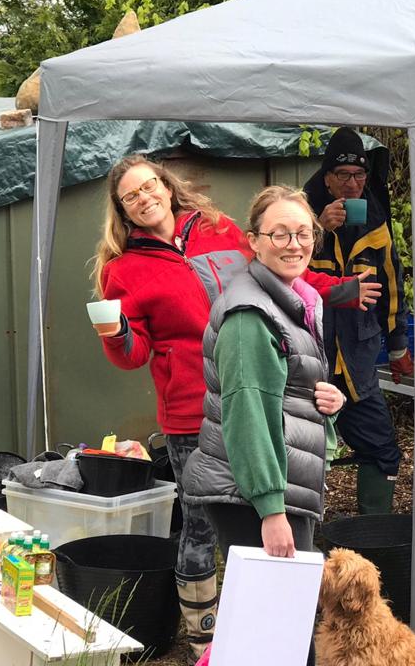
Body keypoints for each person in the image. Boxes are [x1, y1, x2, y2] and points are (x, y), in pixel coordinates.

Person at [91, 156, 376, 657]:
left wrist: (341, 297)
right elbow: (135, 355)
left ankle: (236, 638)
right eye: (131, 195)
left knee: (259, 568)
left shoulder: (218, 230)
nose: (144, 197)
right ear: (121, 210)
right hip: (194, 409)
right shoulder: (126, 270)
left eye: (150, 185)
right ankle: (206, 633)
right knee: (205, 528)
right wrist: (116, 336)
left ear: (166, 185)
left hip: (261, 404)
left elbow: (287, 272)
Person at [182, 186, 346, 666]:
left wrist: (326, 400)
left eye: (303, 233)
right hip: (254, 492)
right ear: (253, 241)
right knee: (279, 637)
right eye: (279, 233)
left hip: (270, 483)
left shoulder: (292, 300)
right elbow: (247, 414)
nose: (294, 244)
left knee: (269, 630)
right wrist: (271, 510)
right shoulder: (251, 315)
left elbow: (284, 392)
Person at [302, 127, 412, 515]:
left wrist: (398, 346)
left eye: (359, 176)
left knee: (382, 448)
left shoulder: (375, 217)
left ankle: (372, 533)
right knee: (300, 453)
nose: (352, 184)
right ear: (327, 177)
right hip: (308, 358)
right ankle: (300, 536)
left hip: (357, 359)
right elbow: (280, 272)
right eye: (344, 176)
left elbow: (393, 284)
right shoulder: (302, 212)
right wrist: (318, 228)